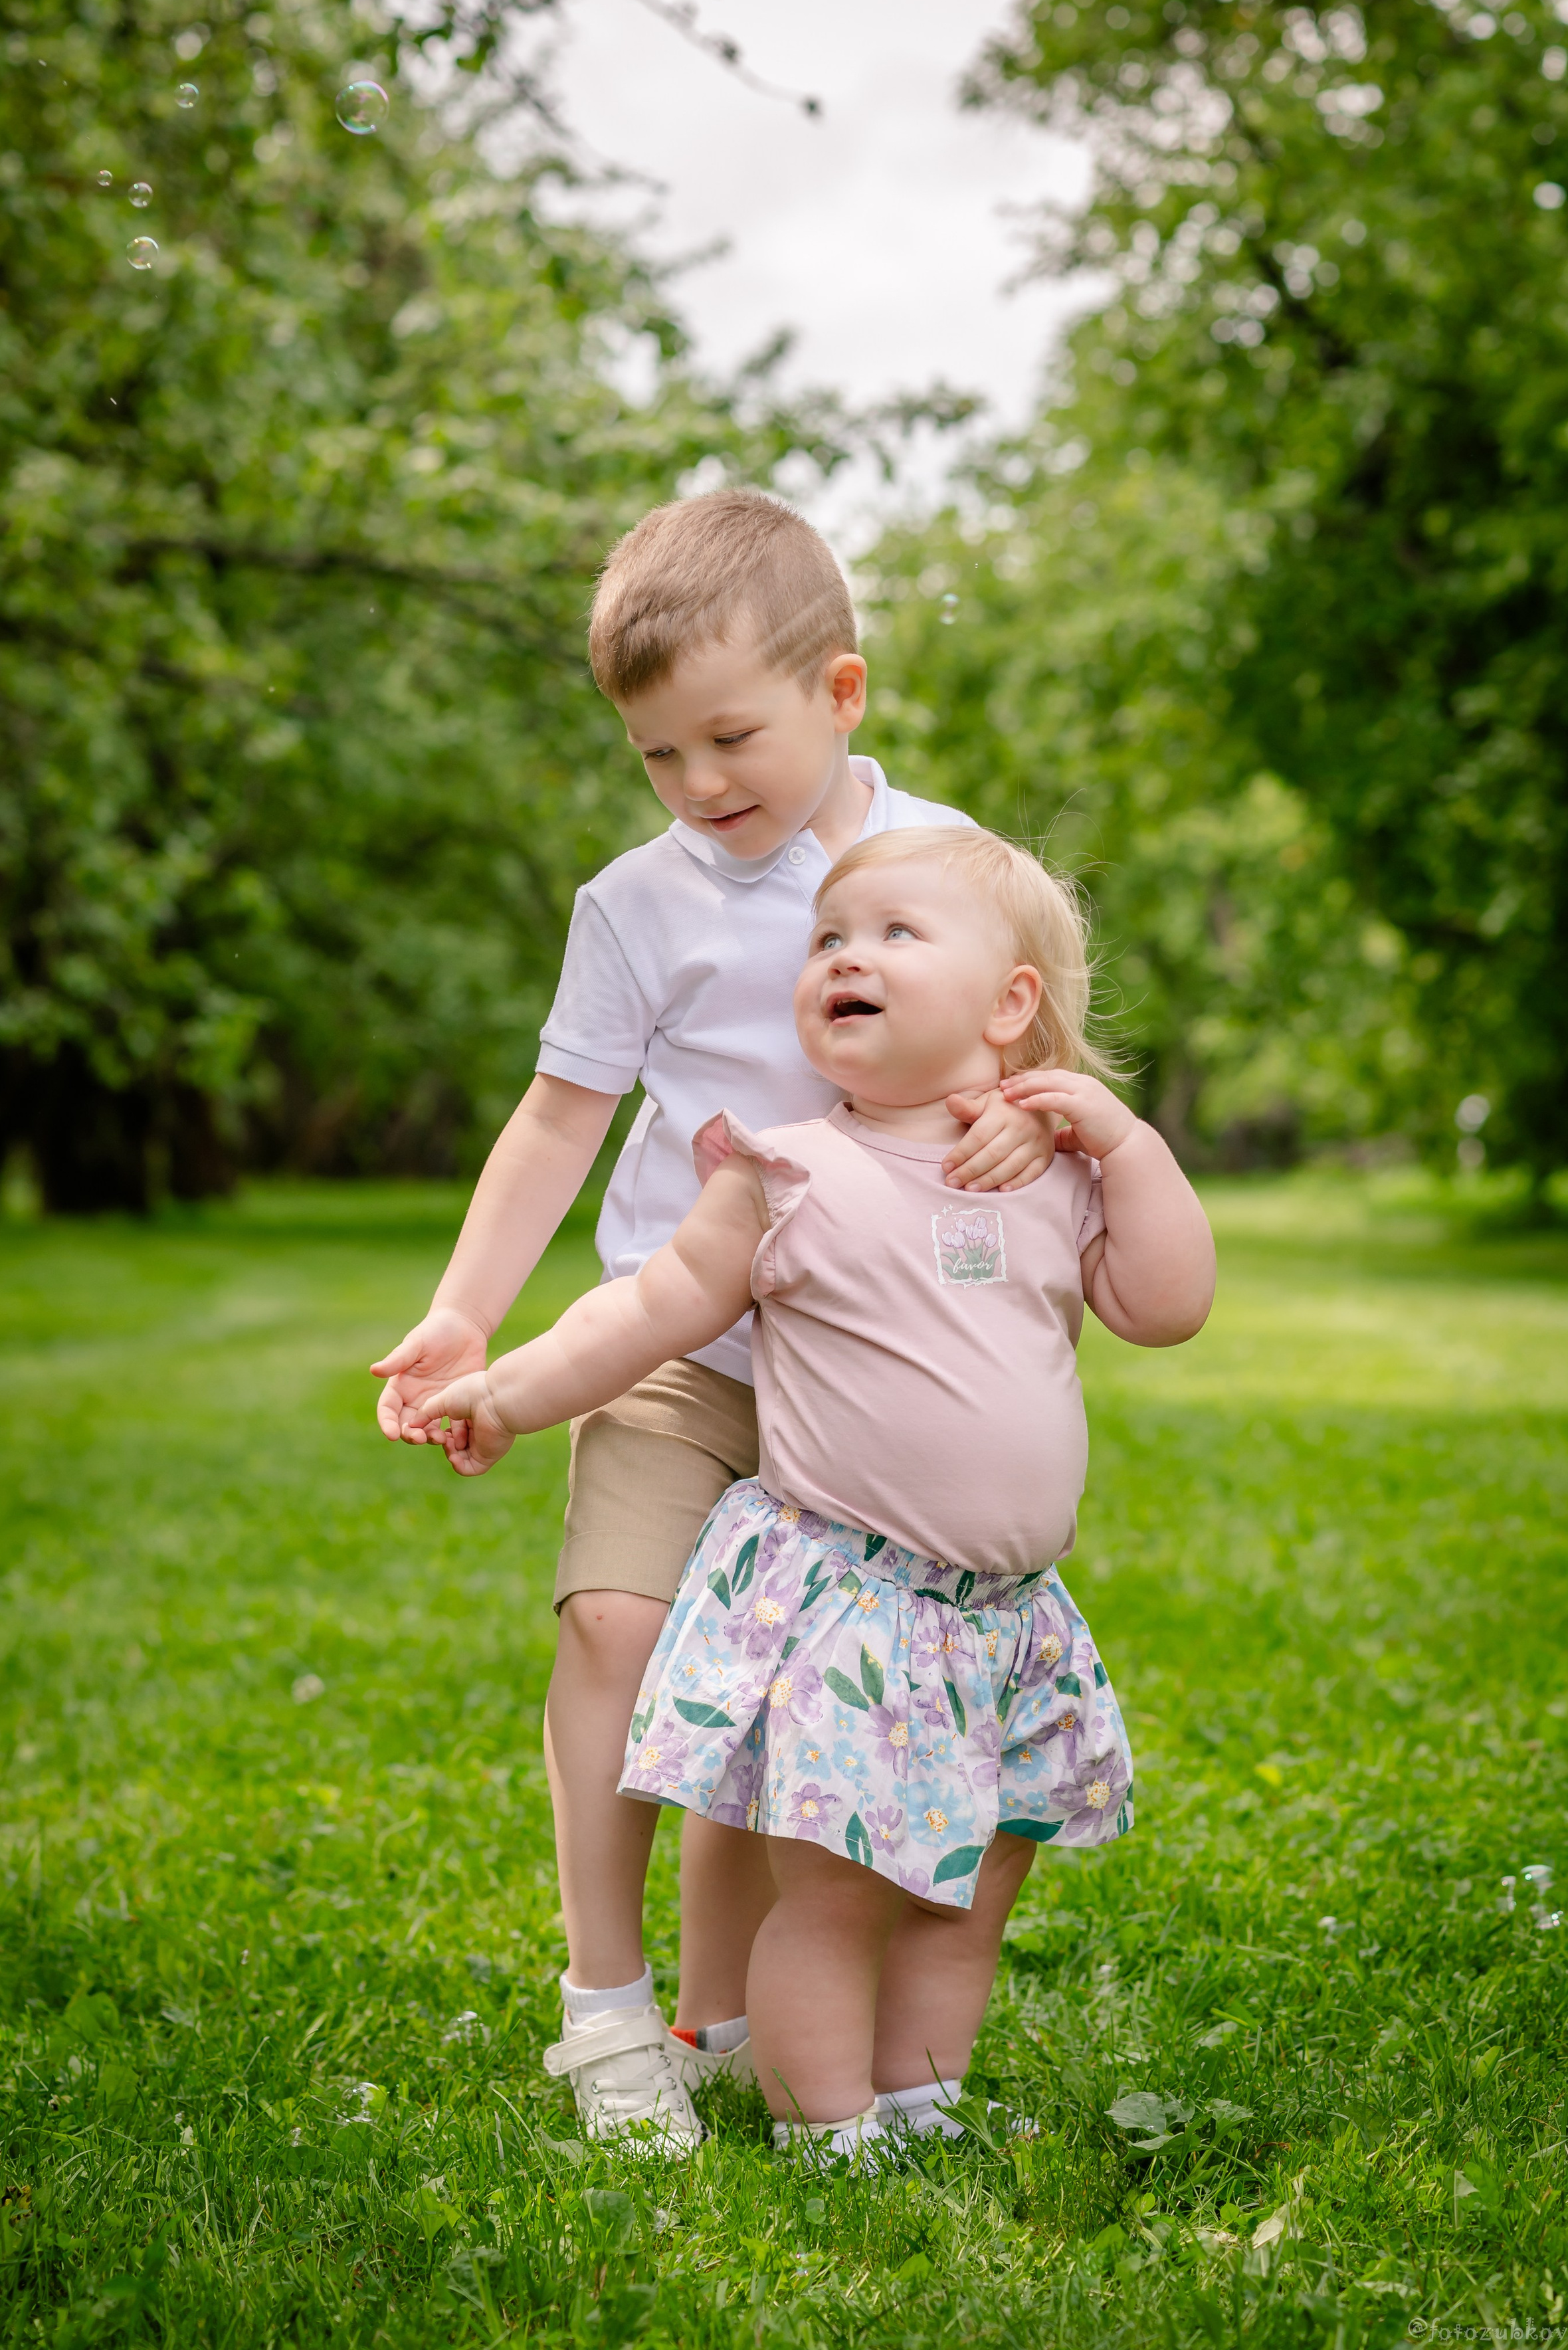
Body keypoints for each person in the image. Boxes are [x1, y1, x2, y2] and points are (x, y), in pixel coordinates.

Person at [371, 493, 1056, 2151]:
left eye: (728, 738)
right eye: (657, 755)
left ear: (840, 693)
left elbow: (1035, 1043)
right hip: (678, 1344)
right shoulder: (638, 905)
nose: (699, 787)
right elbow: (555, 1121)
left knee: (779, 1715)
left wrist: (1036, 1114)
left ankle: (738, 2015)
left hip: (876, 1367)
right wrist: (468, 1316)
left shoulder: (939, 868)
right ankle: (608, 2015)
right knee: (614, 1626)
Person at [415, 824, 1217, 2158]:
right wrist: (502, 1390)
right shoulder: (786, 1172)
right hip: (853, 1613)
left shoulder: (1051, 1173)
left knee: (967, 1890)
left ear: (1010, 1003)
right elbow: (650, 1308)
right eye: (827, 939)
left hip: (1003, 1620)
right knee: (838, 1890)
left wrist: (1123, 1142)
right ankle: (823, 2120)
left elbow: (1167, 1304)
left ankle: (917, 2098)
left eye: (893, 934)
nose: (843, 954)